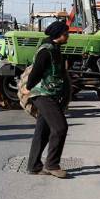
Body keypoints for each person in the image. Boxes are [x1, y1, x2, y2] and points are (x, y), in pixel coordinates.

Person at [23, 21, 71, 179]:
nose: (68, 36)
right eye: (66, 33)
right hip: (42, 94)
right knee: (60, 128)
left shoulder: (55, 48)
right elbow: (36, 71)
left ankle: (34, 166)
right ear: (59, 35)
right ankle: (52, 165)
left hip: (50, 94)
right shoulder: (46, 50)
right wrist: (28, 88)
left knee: (42, 131)